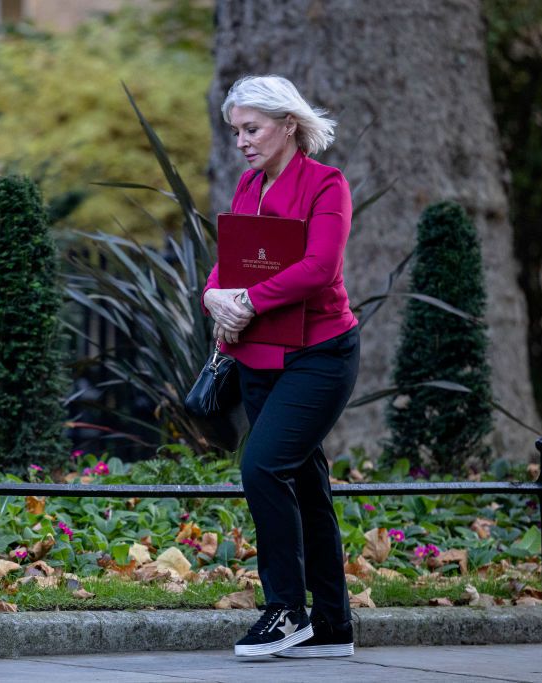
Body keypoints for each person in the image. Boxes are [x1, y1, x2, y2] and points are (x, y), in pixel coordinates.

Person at [201, 74, 359, 659]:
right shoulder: (248, 186)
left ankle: (286, 610)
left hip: (321, 355)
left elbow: (320, 267)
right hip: (260, 356)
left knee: (263, 467)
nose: (242, 141)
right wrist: (213, 295)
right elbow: (231, 262)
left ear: (288, 124)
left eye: (252, 128)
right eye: (236, 131)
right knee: (307, 484)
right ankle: (333, 624)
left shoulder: (327, 185)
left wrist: (245, 300)